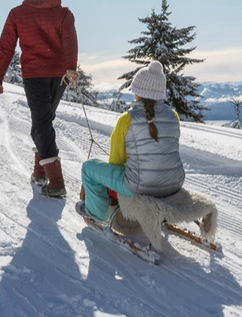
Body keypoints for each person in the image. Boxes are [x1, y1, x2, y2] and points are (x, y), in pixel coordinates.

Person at [0, 0, 78, 197]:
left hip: (34, 74)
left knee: (42, 121)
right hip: (59, 75)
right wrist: (70, 66)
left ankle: (56, 181)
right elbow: (70, 40)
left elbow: (6, 48)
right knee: (43, 121)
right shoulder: (64, 13)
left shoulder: (17, 14)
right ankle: (40, 172)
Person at [76, 61, 184, 223]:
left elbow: (116, 161)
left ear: (137, 92)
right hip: (174, 183)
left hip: (139, 186)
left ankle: (97, 214)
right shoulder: (173, 116)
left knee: (88, 168)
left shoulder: (127, 118)